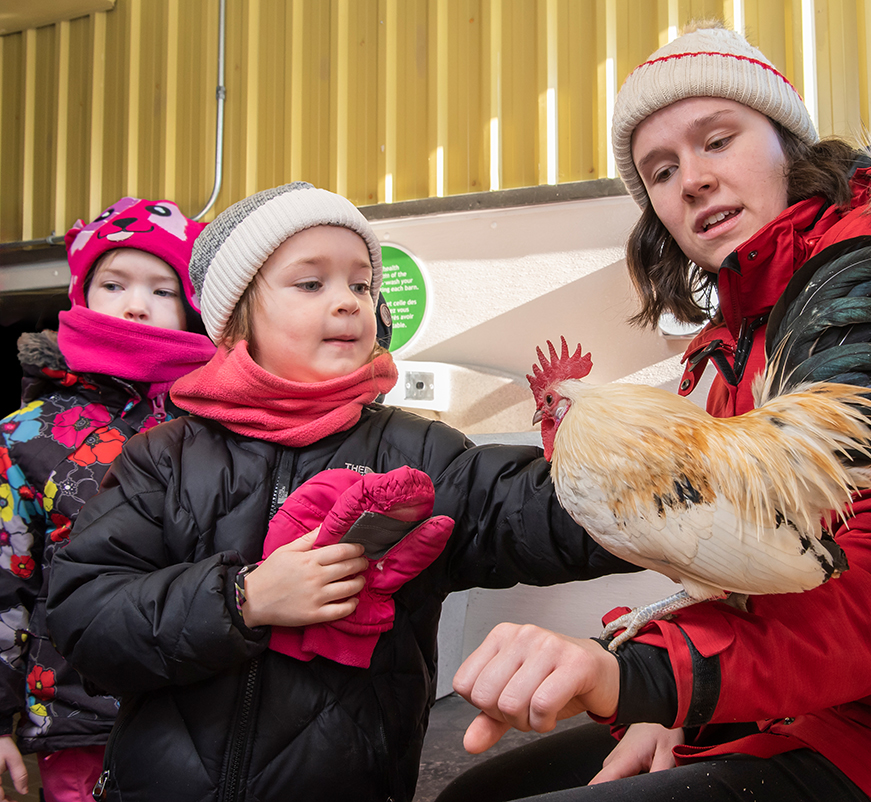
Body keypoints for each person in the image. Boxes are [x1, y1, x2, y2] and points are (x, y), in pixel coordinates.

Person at [445, 19, 871, 802]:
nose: (693, 181)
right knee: (482, 791)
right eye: (662, 170)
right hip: (833, 702)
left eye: (718, 140)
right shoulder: (743, 338)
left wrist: (646, 674)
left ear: (788, 146)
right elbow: (767, 577)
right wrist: (672, 705)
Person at [43, 181, 636, 802]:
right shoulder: (163, 456)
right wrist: (243, 597)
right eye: (311, 283)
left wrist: (673, 487)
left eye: (360, 284)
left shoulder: (422, 451)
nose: (350, 303)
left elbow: (533, 513)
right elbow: (86, 618)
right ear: (238, 313)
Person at [0, 198, 215, 801]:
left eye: (162, 289)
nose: (135, 303)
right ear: (81, 294)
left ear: (194, 308)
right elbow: (5, 577)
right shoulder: (27, 434)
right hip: (79, 716)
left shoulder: (225, 419)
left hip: (208, 699)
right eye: (112, 283)